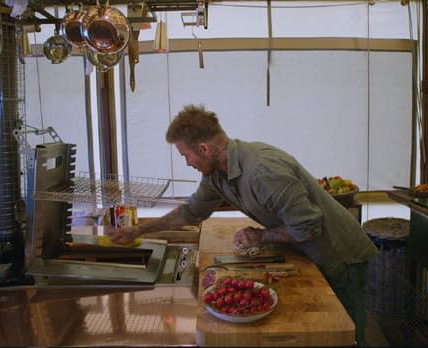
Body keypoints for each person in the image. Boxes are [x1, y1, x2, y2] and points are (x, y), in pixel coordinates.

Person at [104, 104, 378, 346]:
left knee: (346, 336)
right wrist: (137, 230)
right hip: (311, 250)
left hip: (341, 256)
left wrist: (261, 236)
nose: (187, 163)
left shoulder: (262, 171)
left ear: (204, 148)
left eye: (186, 156)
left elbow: (308, 227)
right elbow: (191, 212)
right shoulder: (216, 174)